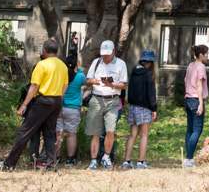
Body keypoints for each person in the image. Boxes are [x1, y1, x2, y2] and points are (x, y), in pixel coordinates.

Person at [0, 39, 67, 170]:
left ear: (44, 50)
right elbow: (65, 85)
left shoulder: (42, 65)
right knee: (50, 134)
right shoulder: (63, 66)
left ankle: (8, 164)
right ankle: (51, 165)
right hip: (56, 101)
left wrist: (24, 105)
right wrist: (58, 101)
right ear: (57, 51)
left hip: (43, 101)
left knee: (24, 131)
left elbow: (34, 86)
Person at [84, 40, 128, 170]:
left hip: (113, 100)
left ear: (113, 51)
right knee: (95, 132)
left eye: (108, 54)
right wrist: (93, 81)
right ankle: (93, 161)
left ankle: (106, 157)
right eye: (103, 54)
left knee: (110, 131)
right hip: (96, 99)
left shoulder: (121, 64)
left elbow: (124, 84)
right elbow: (87, 81)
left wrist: (112, 85)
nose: (105, 56)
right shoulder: (96, 62)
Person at [121, 49, 158, 169]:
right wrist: (154, 108)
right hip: (144, 107)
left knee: (132, 135)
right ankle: (141, 162)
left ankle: (127, 161)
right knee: (144, 135)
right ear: (151, 62)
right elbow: (151, 94)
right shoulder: (148, 74)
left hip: (133, 107)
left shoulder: (134, 71)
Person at [55, 54, 87, 166]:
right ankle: (70, 159)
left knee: (58, 134)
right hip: (73, 109)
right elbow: (85, 80)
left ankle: (57, 158)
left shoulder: (60, 76)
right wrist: (79, 67)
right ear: (75, 64)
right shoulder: (79, 77)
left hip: (59, 108)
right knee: (71, 134)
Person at [182, 44, 209, 168]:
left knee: (190, 130)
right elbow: (199, 85)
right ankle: (188, 158)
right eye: (206, 54)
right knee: (197, 130)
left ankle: (188, 157)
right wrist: (201, 104)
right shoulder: (201, 66)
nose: (207, 56)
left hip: (188, 99)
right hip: (195, 100)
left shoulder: (190, 65)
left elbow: (185, 82)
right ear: (201, 55)